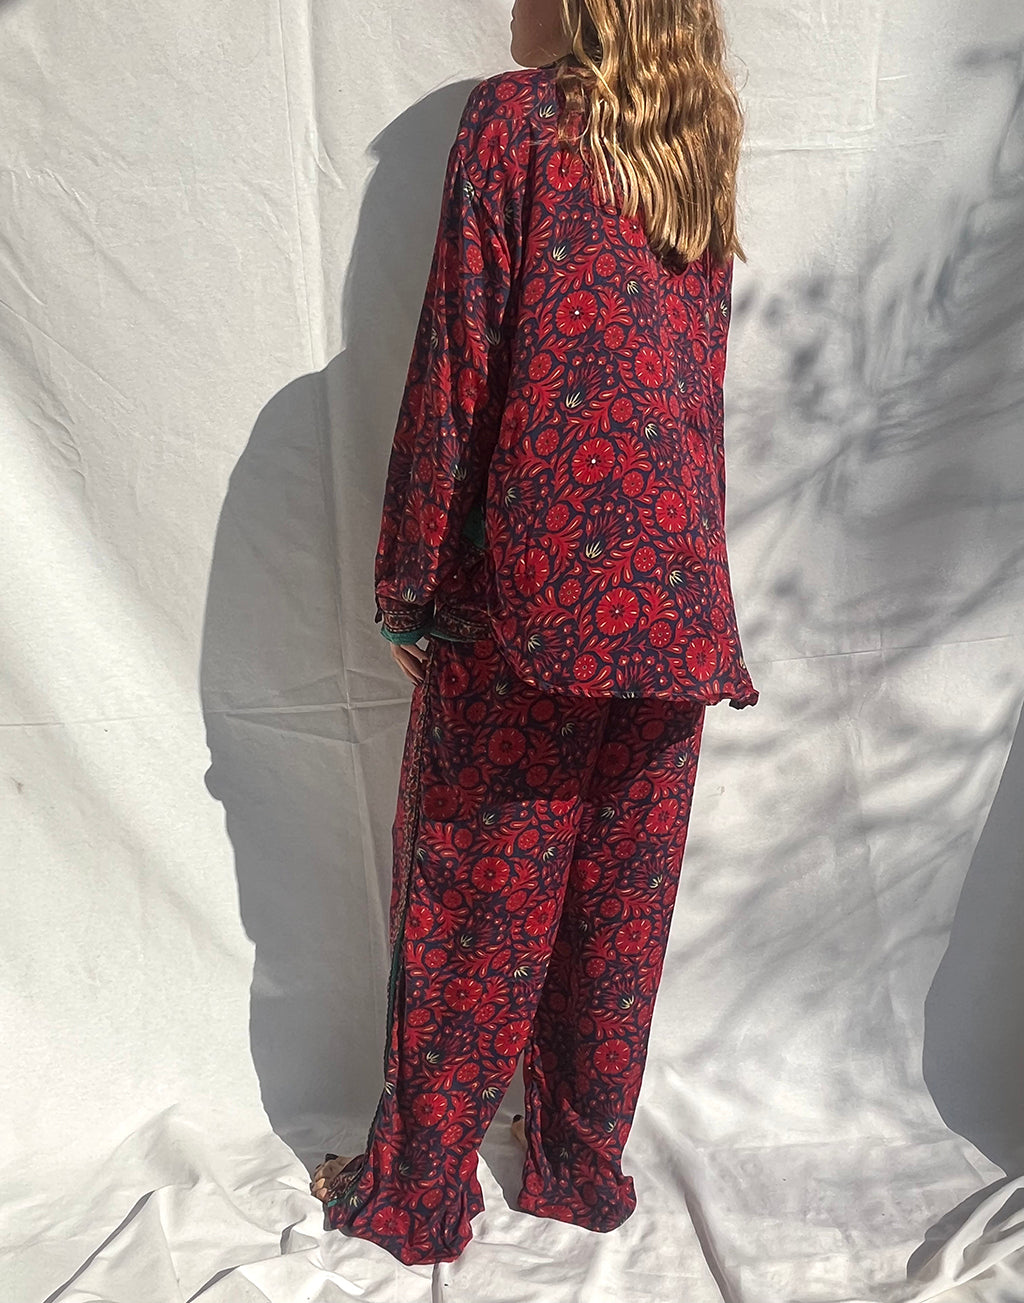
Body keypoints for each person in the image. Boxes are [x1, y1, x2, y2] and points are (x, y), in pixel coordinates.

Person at [309, 0, 759, 1266]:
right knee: (618, 900)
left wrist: (411, 579)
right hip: (675, 591)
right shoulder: (693, 143)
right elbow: (700, 385)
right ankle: (578, 1169)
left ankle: (414, 1192)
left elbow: (461, 358)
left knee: (476, 896)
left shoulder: (515, 120)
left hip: (537, 586)